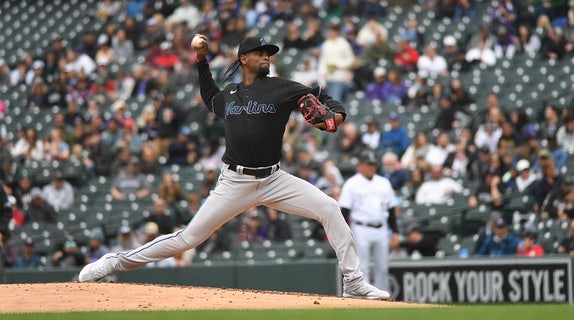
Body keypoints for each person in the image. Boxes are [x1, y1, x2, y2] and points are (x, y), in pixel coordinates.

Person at [79, 35, 390, 300]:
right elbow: (209, 94)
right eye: (260, 53)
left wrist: (336, 115)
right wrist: (201, 60)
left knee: (330, 208)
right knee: (188, 238)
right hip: (234, 182)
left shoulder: (283, 88)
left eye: (268, 53)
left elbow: (326, 99)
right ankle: (114, 263)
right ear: (244, 59)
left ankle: (353, 283)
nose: (266, 57)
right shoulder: (229, 94)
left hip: (274, 179)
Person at [339, 150, 399, 292]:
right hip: (361, 228)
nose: (371, 167)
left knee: (383, 267)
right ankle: (364, 299)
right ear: (360, 165)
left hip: (382, 229)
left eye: (373, 164)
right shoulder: (351, 184)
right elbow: (345, 211)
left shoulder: (384, 183)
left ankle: (382, 299)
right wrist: (344, 234)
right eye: (368, 164)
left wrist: (395, 232)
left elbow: (391, 209)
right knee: (363, 267)